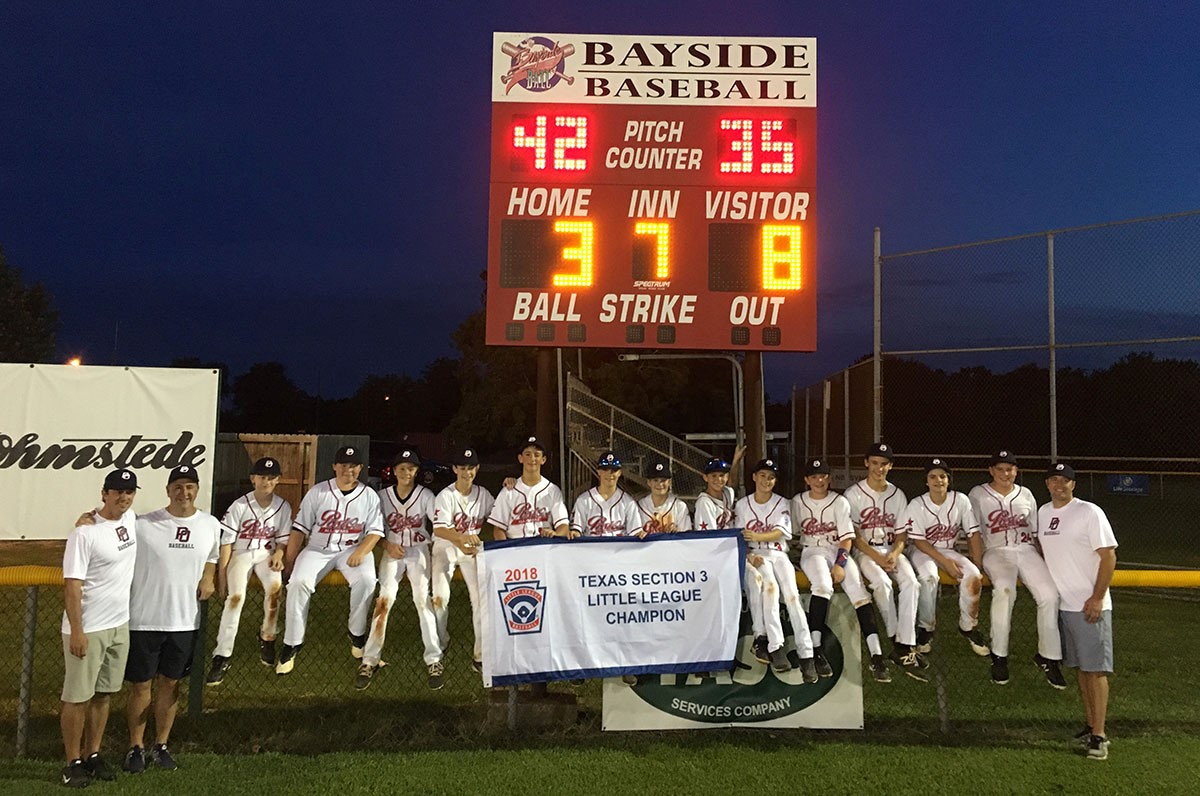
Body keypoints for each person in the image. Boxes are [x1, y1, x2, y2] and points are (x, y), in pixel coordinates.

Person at [122, 465, 220, 773]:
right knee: (141, 687)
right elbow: (109, 523)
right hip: (145, 619)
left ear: (197, 490)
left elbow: (213, 556)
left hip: (184, 621)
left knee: (171, 684)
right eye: (177, 486)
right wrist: (88, 517)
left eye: (190, 486)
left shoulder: (210, 523)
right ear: (167, 491)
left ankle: (160, 745)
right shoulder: (144, 523)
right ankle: (135, 747)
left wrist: (209, 576)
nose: (184, 492)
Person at [59, 469, 139, 788]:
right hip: (89, 627)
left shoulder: (131, 520)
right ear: (104, 493)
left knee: (103, 694)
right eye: (118, 491)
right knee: (77, 697)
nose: (124, 497)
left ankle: (93, 754)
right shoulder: (85, 533)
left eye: (129, 491)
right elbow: (72, 586)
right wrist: (77, 630)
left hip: (119, 624)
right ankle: (71, 762)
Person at [278, 446, 383, 676]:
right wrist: (290, 561)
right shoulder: (318, 492)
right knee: (298, 583)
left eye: (353, 465)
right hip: (317, 548)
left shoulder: (369, 496)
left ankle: (356, 634)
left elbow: (375, 532)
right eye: (344, 465)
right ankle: (292, 642)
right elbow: (299, 529)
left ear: (360, 468)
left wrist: (362, 551)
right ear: (335, 466)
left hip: (352, 549)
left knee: (367, 580)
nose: (348, 470)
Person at [1038, 463, 1118, 761]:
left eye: (1065, 480)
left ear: (1074, 484)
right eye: (1054, 479)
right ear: (1047, 483)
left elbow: (1108, 556)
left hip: (1089, 605)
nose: (1059, 484)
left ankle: (1100, 735)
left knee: (1095, 670)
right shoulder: (1043, 513)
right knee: (1082, 671)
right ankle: (1090, 725)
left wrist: (1097, 598)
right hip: (1065, 605)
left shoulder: (1089, 512)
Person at [968, 450, 1065, 688]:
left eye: (1009, 469)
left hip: (1026, 550)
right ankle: (999, 656)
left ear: (1016, 471)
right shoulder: (978, 494)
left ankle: (1048, 657)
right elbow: (974, 532)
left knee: (1050, 596)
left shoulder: (1026, 494)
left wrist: (1044, 557)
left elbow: (1035, 533)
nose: (1005, 473)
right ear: (991, 471)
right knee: (1004, 591)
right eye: (999, 469)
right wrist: (977, 564)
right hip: (996, 551)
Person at [790, 458, 891, 683]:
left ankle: (876, 655)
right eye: (814, 476)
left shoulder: (839, 501)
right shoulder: (797, 502)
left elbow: (846, 539)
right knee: (823, 586)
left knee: (860, 594)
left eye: (823, 476)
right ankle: (815, 650)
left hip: (837, 551)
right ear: (806, 480)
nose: (819, 480)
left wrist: (839, 564)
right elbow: (794, 533)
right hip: (812, 550)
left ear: (829, 478)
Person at [357, 448, 440, 690]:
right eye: (402, 468)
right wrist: (385, 544)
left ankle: (434, 660)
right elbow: (371, 528)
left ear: (417, 471)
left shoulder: (426, 495)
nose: (406, 472)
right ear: (394, 471)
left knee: (423, 600)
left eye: (411, 468)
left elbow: (438, 523)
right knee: (384, 600)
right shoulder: (381, 496)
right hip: (392, 551)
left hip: (418, 550)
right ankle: (369, 660)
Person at [206, 457, 292, 685]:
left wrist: (280, 553)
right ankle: (222, 655)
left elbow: (282, 540)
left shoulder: (283, 506)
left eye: (271, 478)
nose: (267, 481)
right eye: (262, 477)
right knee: (235, 598)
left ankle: (268, 636)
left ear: (278, 480)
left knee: (275, 590)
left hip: (267, 553)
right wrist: (222, 576)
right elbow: (227, 543)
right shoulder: (240, 505)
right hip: (241, 552)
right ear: (253, 479)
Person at [843, 442, 924, 681]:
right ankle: (896, 639)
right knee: (881, 583)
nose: (879, 468)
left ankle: (905, 644)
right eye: (875, 463)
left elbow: (901, 533)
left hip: (891, 549)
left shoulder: (897, 494)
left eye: (884, 464)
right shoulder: (853, 494)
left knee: (912, 582)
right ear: (867, 463)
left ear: (890, 466)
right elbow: (855, 536)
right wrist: (877, 556)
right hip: (866, 551)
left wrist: (896, 553)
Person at [734, 458, 818, 683]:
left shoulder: (782, 502)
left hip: (778, 553)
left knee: (792, 597)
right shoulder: (742, 504)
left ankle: (806, 654)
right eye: (762, 475)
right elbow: (738, 537)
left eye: (771, 477)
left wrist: (756, 536)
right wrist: (748, 553)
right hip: (756, 556)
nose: (766, 480)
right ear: (754, 477)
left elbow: (781, 532)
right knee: (769, 589)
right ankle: (775, 646)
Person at [906, 459, 990, 658]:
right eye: (932, 476)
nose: (938, 480)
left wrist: (976, 565)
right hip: (922, 551)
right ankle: (926, 629)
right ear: (926, 481)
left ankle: (968, 627)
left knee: (973, 577)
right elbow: (919, 542)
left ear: (948, 480)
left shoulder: (960, 500)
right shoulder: (917, 504)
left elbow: (973, 533)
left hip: (948, 549)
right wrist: (945, 562)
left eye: (942, 476)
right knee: (929, 577)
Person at [430, 447, 495, 675]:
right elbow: (439, 529)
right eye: (462, 468)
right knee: (440, 598)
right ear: (454, 469)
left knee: (480, 600)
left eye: (471, 468)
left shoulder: (484, 495)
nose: (466, 472)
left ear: (476, 469)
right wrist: (460, 538)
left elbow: (497, 515)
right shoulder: (445, 495)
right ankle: (441, 640)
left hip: (471, 550)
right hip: (445, 546)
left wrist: (509, 485)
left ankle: (480, 655)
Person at [487, 436, 571, 541]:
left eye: (537, 455)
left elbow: (563, 526)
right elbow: (499, 529)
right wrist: (506, 550)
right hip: (515, 547)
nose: (532, 459)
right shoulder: (508, 491)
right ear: (520, 458)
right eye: (527, 454)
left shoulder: (552, 490)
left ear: (543, 459)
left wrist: (555, 534)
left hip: (544, 546)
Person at [571, 451, 641, 538]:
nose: (609, 474)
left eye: (614, 470)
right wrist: (574, 533)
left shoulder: (628, 502)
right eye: (605, 470)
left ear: (619, 473)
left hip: (619, 550)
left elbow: (636, 533)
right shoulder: (583, 500)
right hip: (592, 549)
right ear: (598, 471)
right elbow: (576, 530)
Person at [635, 460, 692, 535]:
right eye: (655, 480)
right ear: (649, 482)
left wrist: (678, 531)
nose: (660, 484)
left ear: (669, 482)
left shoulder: (679, 506)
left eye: (663, 480)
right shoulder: (639, 506)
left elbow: (687, 536)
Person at [693, 456, 736, 532]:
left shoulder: (728, 492)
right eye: (714, 475)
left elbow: (733, 482)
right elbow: (710, 537)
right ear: (705, 477)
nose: (718, 479)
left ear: (727, 477)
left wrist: (736, 460)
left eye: (721, 475)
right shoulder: (704, 503)